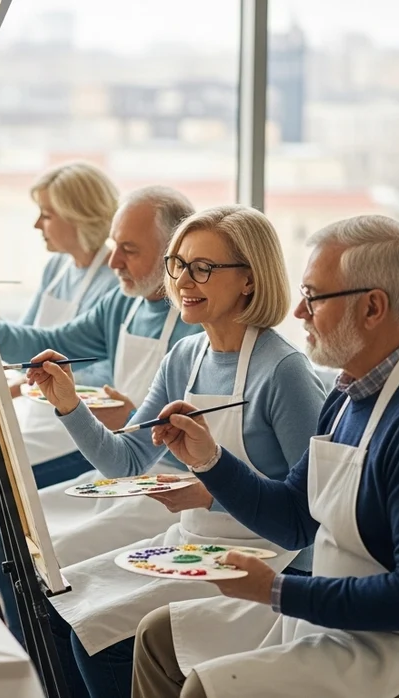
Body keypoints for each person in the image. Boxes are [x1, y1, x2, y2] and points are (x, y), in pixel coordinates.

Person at [133, 215, 399, 698]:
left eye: (313, 297)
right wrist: (211, 460)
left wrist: (278, 590)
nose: (298, 312)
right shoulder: (349, 392)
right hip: (338, 616)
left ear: (373, 307)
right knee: (160, 638)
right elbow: (295, 517)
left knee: (207, 689)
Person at [27, 205, 325, 698]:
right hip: (193, 544)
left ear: (249, 280)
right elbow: (126, 462)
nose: (184, 280)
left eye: (203, 268)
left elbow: (313, 514)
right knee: (57, 608)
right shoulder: (186, 355)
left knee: (99, 643)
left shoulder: (284, 372)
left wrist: (211, 493)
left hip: (267, 563)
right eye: (178, 264)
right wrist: (69, 404)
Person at [0, 186, 203, 640]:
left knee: (43, 558)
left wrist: (135, 422)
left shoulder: (196, 327)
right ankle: (33, 669)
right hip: (122, 468)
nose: (113, 262)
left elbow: (209, 449)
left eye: (129, 250)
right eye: (115, 246)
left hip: (164, 486)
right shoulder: (121, 303)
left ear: (173, 255)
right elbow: (43, 343)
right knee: (0, 522)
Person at [0, 162, 122, 545]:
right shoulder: (56, 268)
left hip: (71, 431)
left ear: (78, 217)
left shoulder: (116, 283)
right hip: (37, 418)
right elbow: (30, 342)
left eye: (47, 215)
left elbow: (95, 375)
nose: (38, 225)